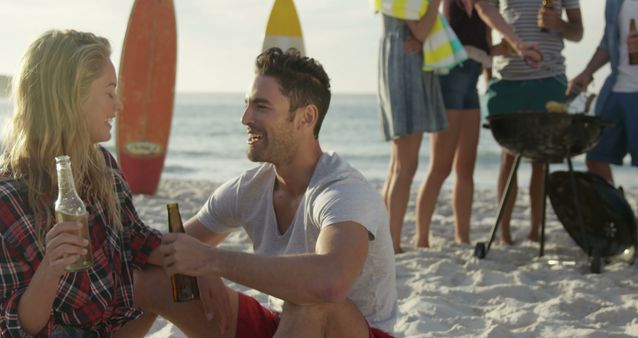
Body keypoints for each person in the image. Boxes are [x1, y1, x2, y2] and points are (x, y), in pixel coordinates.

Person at [135, 48, 397, 337]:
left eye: (261, 106)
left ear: (306, 118)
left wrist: (211, 260)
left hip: (352, 329)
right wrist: (195, 264)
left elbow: (331, 282)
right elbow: (170, 250)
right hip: (287, 325)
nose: (245, 118)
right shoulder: (250, 188)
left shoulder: (343, 191)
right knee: (152, 279)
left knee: (310, 301)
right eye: (247, 104)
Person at [0, 29, 167, 336]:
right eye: (109, 92)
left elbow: (136, 239)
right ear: (69, 98)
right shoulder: (8, 200)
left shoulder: (102, 166)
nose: (119, 106)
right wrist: (50, 269)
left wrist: (201, 266)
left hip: (113, 326)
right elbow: (17, 329)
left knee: (177, 284)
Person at [415, 0, 543, 247]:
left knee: (466, 168)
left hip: (470, 79)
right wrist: (518, 44)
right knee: (440, 166)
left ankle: (462, 236)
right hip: (452, 74)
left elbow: (473, 40)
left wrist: (496, 51)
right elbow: (485, 10)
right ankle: (421, 238)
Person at [481, 0, 583, 244]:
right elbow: (485, 16)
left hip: (549, 78)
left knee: (541, 159)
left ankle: (535, 231)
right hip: (508, 79)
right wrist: (487, 72)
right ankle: (504, 233)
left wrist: (558, 24)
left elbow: (578, 32)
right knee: (508, 157)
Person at [377, 0, 448, 253]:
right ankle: (392, 243)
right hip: (405, 67)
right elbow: (420, 31)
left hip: (397, 62)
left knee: (398, 165)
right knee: (405, 166)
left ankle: (387, 239)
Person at [566, 0, 638, 219]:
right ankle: (620, 218)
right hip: (616, 89)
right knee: (596, 157)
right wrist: (587, 73)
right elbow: (608, 42)